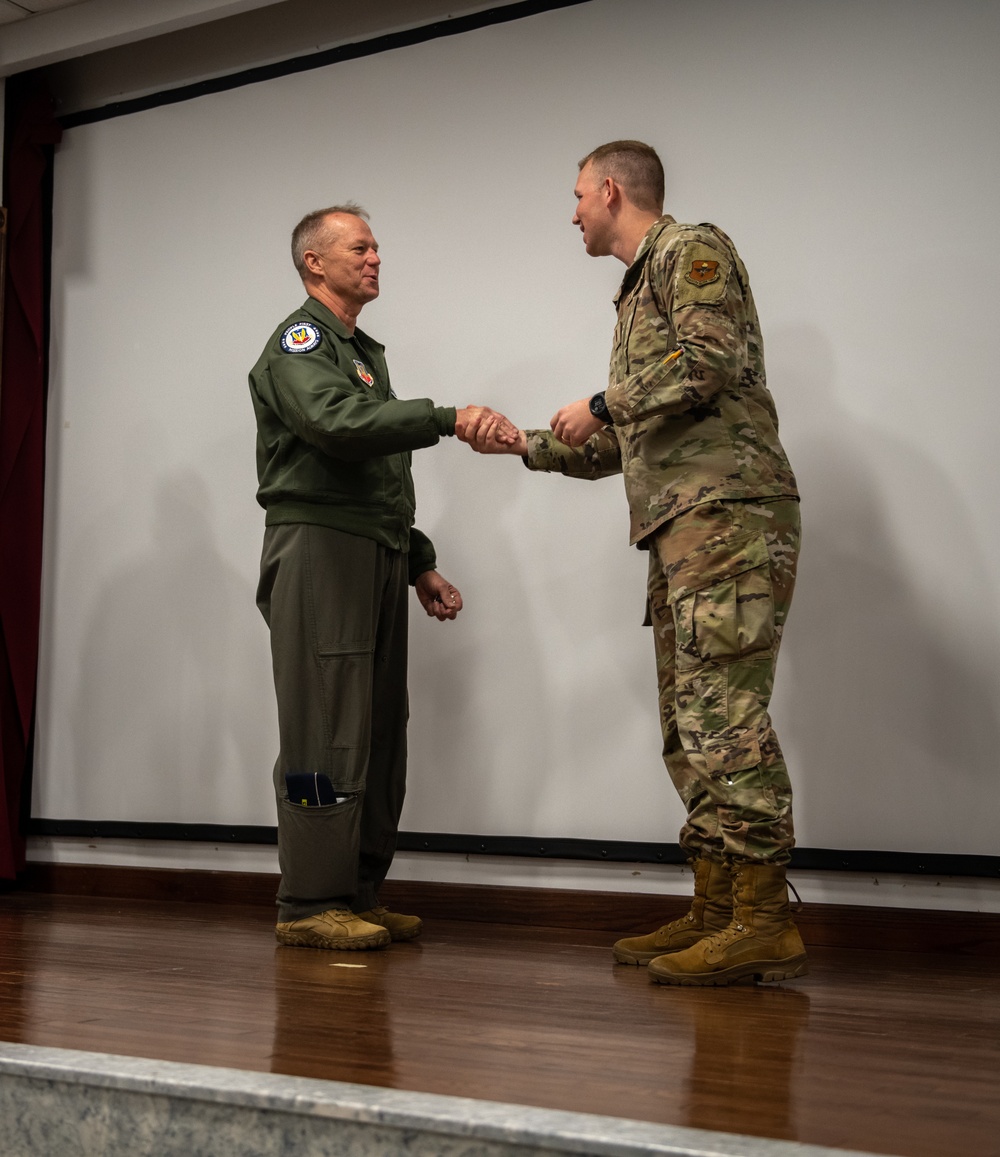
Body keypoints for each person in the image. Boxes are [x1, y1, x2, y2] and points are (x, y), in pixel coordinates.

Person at [469, 142, 806, 986]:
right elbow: (632, 436)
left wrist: (597, 401)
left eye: (578, 195)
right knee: (688, 722)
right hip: (681, 527)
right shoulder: (633, 297)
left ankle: (764, 917)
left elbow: (709, 360)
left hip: (727, 518)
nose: (573, 211)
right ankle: (719, 903)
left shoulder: (692, 251)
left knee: (725, 716)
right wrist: (530, 446)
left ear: (611, 190)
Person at [249, 203, 506, 951]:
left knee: (376, 731)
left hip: (371, 552)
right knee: (325, 730)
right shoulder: (299, 345)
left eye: (376, 246)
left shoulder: (361, 352)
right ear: (313, 264)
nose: (374, 257)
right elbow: (339, 427)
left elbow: (372, 476)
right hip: (320, 553)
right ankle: (309, 902)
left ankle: (357, 891)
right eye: (359, 247)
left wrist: (418, 562)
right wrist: (450, 417)